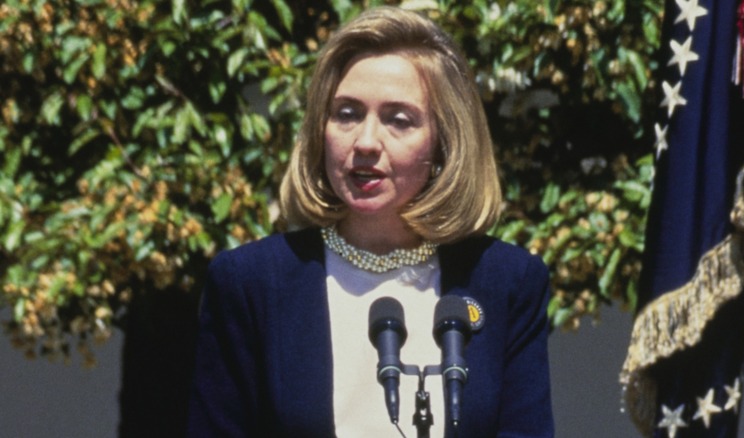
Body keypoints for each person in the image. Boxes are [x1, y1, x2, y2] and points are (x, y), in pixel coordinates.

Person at [187, 6, 553, 437]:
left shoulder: (505, 281)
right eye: (346, 113)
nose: (364, 141)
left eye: (398, 120)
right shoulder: (250, 283)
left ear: (444, 144)